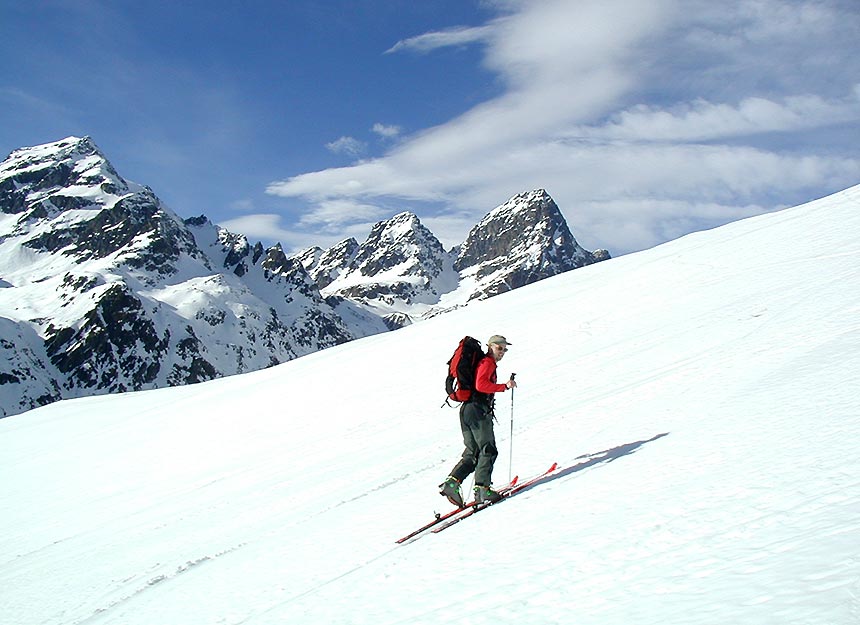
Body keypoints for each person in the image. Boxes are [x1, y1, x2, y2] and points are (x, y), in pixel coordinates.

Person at [439, 335, 517, 506]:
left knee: (473, 451)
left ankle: (452, 483)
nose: (502, 352)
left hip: (467, 410)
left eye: (505, 349)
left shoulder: (481, 362)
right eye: (499, 348)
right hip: (478, 410)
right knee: (487, 449)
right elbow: (481, 385)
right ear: (490, 346)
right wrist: (504, 386)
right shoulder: (487, 363)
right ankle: (482, 489)